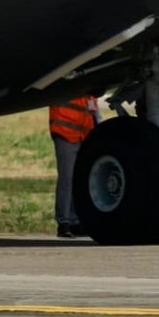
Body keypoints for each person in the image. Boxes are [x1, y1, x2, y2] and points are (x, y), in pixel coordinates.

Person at [49, 94, 100, 238]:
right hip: (65, 134)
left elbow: (93, 114)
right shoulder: (68, 85)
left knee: (77, 180)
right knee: (67, 179)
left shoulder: (88, 92)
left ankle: (74, 221)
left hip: (82, 136)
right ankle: (64, 222)